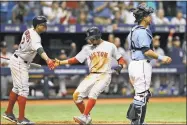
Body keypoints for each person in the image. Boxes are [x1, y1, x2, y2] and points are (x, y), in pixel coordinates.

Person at [54, 27, 127, 124]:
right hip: (92, 74)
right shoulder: (87, 48)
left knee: (93, 94)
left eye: (92, 38)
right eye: (90, 38)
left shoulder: (110, 46)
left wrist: (120, 66)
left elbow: (120, 58)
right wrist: (60, 62)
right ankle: (87, 118)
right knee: (76, 96)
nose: (90, 40)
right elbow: (75, 59)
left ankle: (84, 116)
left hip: (105, 75)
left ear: (98, 36)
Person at [2, 16, 56, 124]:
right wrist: (48, 60)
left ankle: (8, 112)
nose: (45, 26)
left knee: (17, 88)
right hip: (20, 62)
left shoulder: (29, 30)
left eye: (45, 24)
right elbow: (40, 50)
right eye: (43, 24)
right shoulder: (36, 37)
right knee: (24, 90)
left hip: (19, 59)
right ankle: (21, 119)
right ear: (37, 25)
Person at [126, 5, 172, 125]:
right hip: (141, 65)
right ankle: (136, 122)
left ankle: (138, 121)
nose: (151, 17)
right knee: (142, 95)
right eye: (149, 15)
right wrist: (162, 57)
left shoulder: (134, 29)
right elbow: (146, 51)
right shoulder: (142, 32)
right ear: (144, 18)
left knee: (142, 94)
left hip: (135, 64)